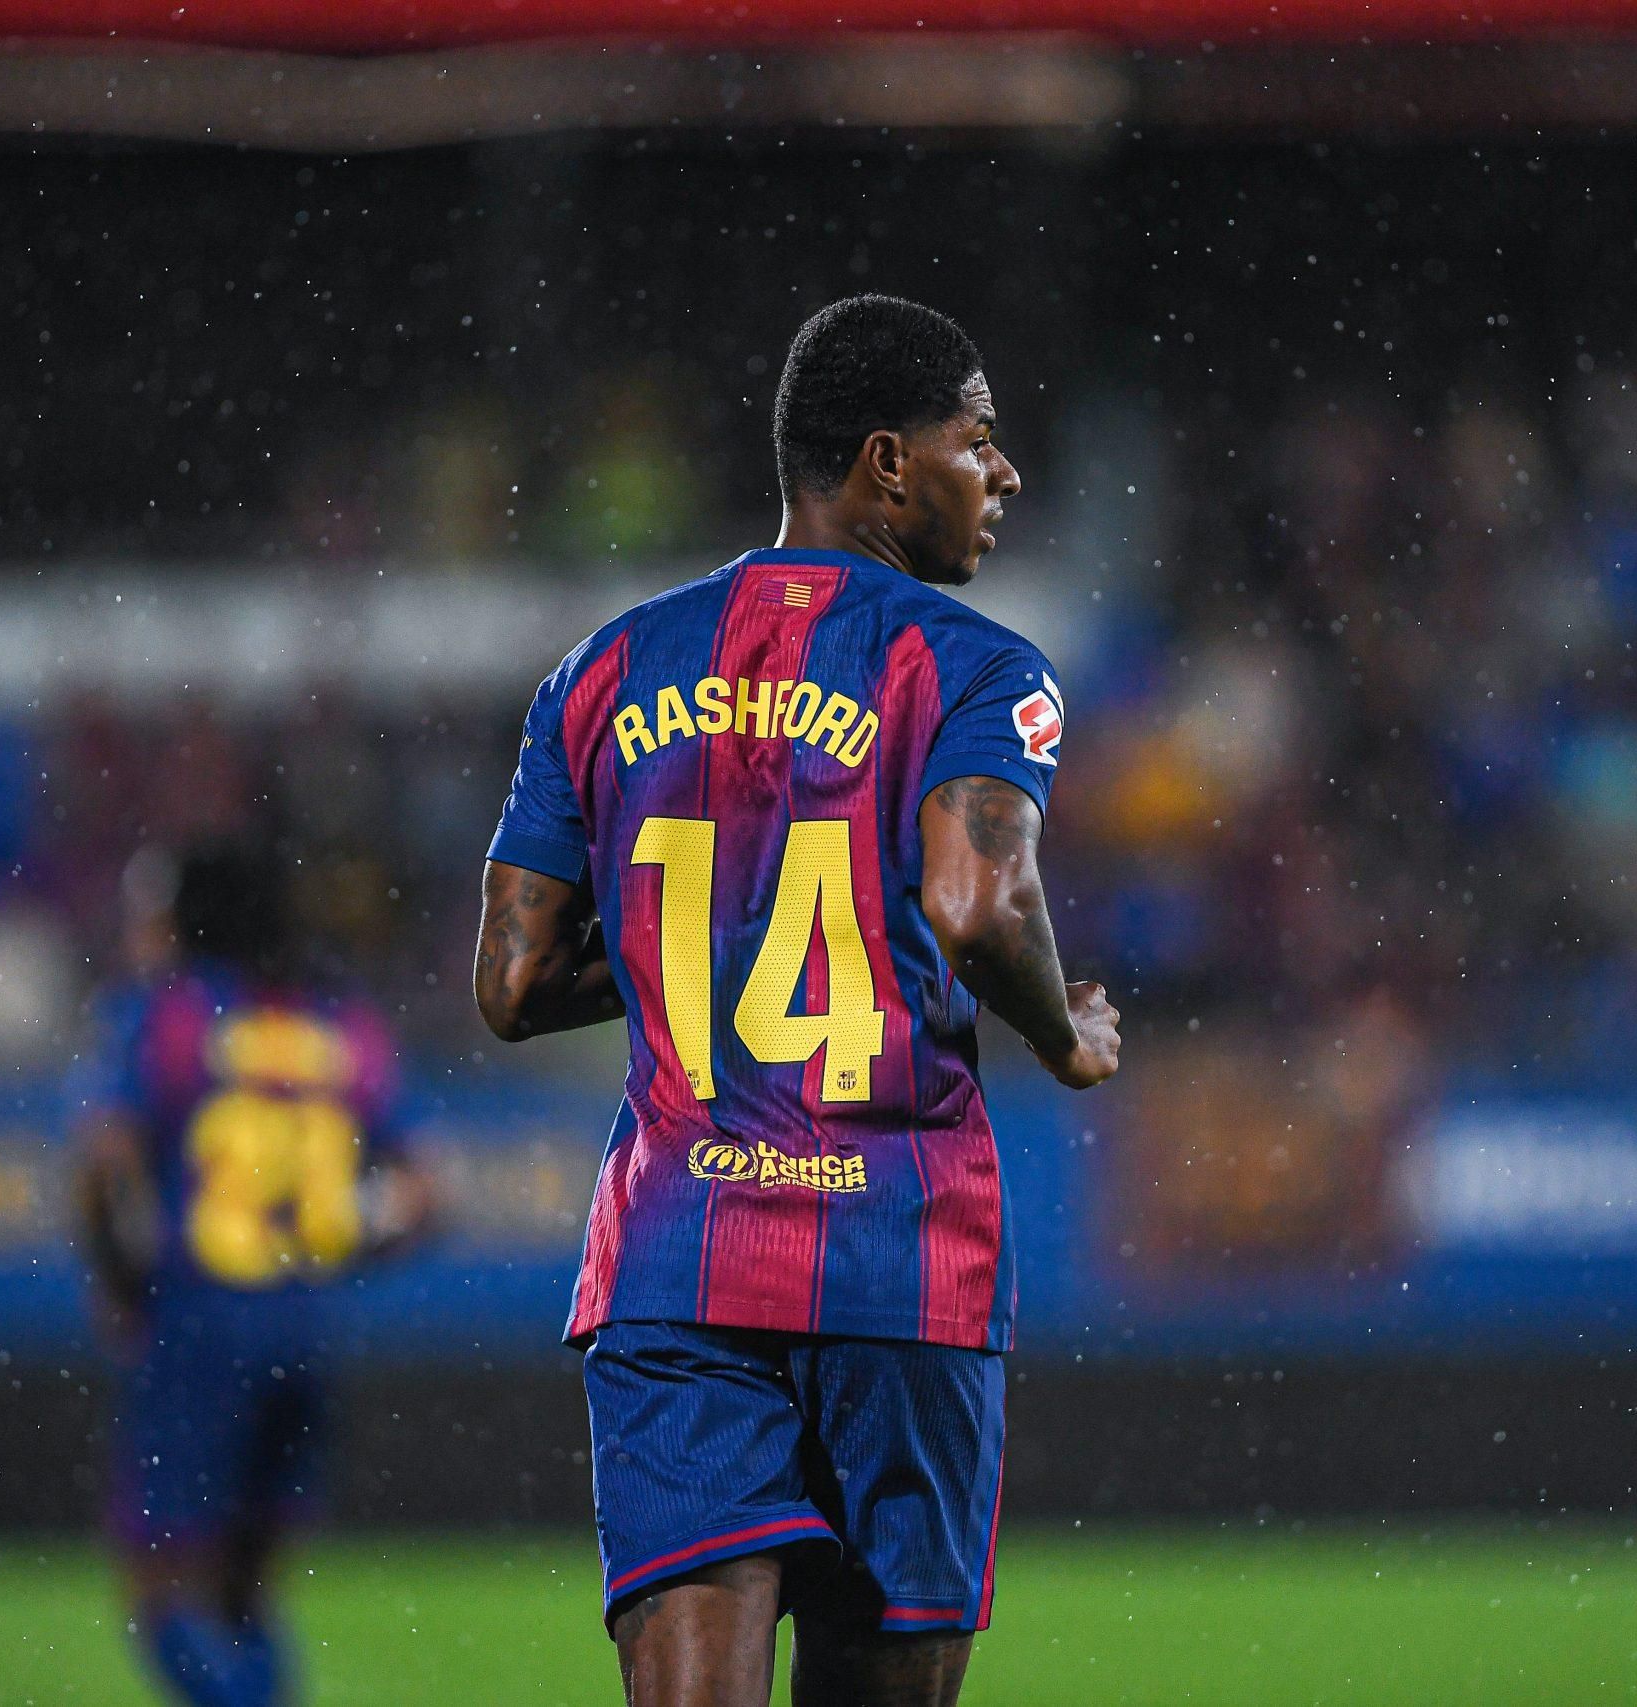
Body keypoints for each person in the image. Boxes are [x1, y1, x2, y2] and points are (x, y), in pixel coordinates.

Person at [474, 294, 1121, 1707]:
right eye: (978, 440)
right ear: (888, 462)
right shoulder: (978, 666)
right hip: (899, 1261)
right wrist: (1063, 1033)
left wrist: (710, 921)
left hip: (676, 1261)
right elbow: (977, 901)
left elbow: (511, 983)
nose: (1005, 474)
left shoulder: (603, 670)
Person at [75, 842, 431, 1707]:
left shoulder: (167, 1015)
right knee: (246, 1590)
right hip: (304, 1329)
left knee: (161, 1589)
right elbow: (422, 1194)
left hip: (198, 1320)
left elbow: (103, 1163)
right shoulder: (337, 1022)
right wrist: (334, 1244)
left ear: (188, 921)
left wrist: (121, 1283)